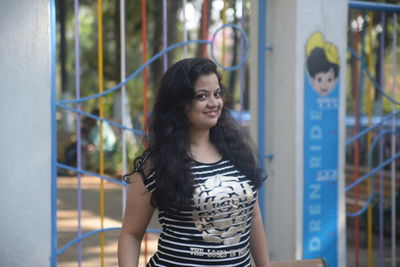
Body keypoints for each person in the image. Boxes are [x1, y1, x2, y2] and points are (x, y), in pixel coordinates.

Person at [118, 58, 271, 267]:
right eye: (201, 96)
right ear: (178, 104)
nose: (214, 103)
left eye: (217, 94)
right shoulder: (156, 163)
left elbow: (253, 218)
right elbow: (131, 234)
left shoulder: (238, 153)